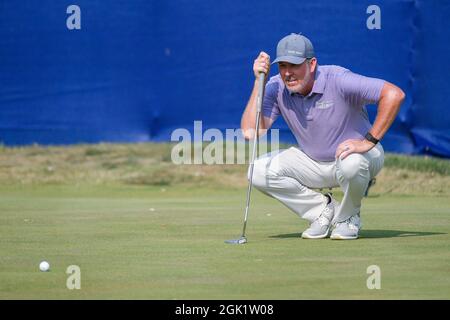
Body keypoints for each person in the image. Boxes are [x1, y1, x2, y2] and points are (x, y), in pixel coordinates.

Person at [241, 33, 405, 240]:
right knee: (258, 171)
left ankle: (348, 217)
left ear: (311, 64)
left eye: (294, 65)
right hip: (313, 162)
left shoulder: (338, 79)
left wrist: (368, 141)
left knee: (351, 163)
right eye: (282, 66)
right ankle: (322, 210)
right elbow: (250, 132)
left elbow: (394, 94)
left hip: (359, 157)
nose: (288, 73)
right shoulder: (275, 87)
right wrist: (259, 83)